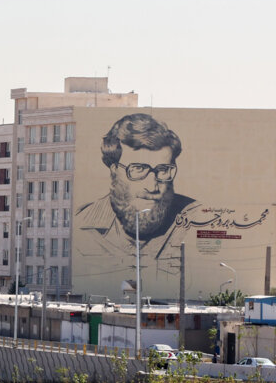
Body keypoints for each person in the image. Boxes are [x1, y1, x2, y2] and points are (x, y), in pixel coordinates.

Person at [74, 112, 200, 278]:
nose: (152, 186)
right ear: (114, 171)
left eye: (163, 170)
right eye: (139, 169)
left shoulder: (196, 219)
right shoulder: (83, 223)